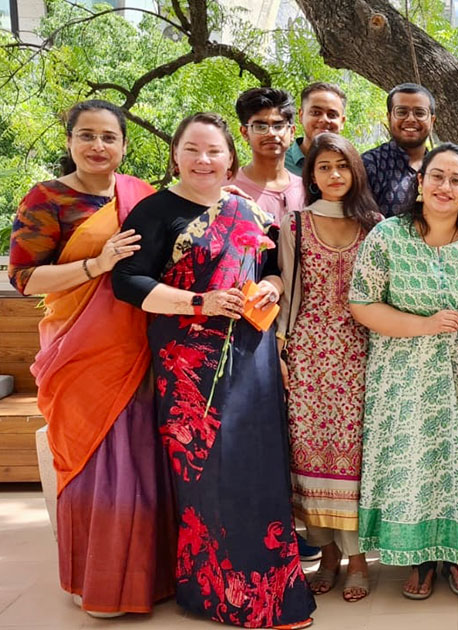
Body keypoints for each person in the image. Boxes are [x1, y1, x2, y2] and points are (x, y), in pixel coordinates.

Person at [112, 112, 315, 628]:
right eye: (193, 150)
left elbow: (270, 265)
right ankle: (215, 594)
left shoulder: (245, 208)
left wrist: (271, 286)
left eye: (214, 151)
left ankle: (272, 592)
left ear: (230, 157)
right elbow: (127, 282)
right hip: (189, 370)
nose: (204, 160)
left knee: (260, 469)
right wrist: (199, 301)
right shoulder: (154, 212)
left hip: (253, 356)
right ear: (175, 154)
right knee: (209, 478)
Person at [8, 100, 174, 619]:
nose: (98, 146)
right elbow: (25, 278)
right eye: (86, 136)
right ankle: (96, 584)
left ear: (124, 145)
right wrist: (96, 264)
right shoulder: (47, 199)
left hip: (140, 348)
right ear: (70, 142)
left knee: (143, 462)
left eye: (108, 137)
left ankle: (150, 580)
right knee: (96, 464)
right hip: (81, 352)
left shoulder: (141, 196)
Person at [349, 143, 458, 601]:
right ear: (420, 184)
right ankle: (417, 559)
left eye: (456, 180)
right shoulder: (388, 237)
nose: (445, 186)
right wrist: (425, 325)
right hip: (402, 378)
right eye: (437, 176)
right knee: (413, 465)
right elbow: (361, 303)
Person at [277, 133, 381, 603]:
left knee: (353, 457)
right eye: (323, 167)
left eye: (342, 165)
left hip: (361, 353)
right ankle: (326, 554)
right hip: (308, 354)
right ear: (311, 174)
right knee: (311, 455)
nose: (334, 175)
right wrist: (281, 348)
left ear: (355, 171)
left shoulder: (375, 226)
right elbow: (290, 291)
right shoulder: (294, 224)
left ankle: (357, 558)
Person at [231, 87, 305, 224]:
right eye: (260, 127)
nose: (271, 133)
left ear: (292, 131)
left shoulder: (304, 190)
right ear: (244, 132)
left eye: (278, 126)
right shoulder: (229, 189)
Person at [362, 83, 435, 217]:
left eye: (419, 113)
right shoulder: (369, 165)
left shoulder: (440, 167)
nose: (411, 119)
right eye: (402, 112)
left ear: (432, 120)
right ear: (389, 118)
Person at [285, 82, 348, 176]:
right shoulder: (278, 165)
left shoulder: (351, 165)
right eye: (316, 113)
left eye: (332, 115)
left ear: (342, 122)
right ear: (301, 116)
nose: (324, 120)